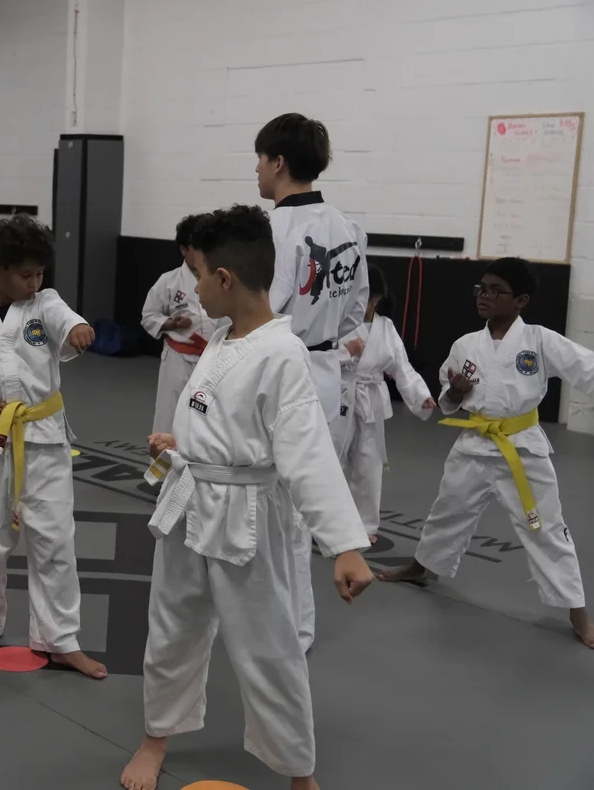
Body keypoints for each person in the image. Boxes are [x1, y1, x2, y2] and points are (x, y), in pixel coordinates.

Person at [119, 205, 372, 790]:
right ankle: (156, 734)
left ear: (225, 280)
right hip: (189, 500)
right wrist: (183, 443)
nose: (194, 287)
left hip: (248, 518)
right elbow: (225, 419)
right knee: (171, 626)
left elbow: (306, 452)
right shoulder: (224, 337)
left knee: (268, 645)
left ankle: (298, 773)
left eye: (199, 275)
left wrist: (344, 546)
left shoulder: (282, 355)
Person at [378, 257, 594, 649]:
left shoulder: (540, 341)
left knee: (544, 526)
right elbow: (449, 399)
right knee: (449, 509)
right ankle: (421, 566)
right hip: (475, 444)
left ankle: (577, 609)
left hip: (522, 447)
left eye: (496, 290)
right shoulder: (465, 345)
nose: (484, 296)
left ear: (521, 301)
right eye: (481, 288)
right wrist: (457, 391)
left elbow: (587, 369)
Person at [0, 213, 106, 679]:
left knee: (54, 539)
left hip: (45, 440)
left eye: (40, 273)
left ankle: (60, 638)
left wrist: (77, 328)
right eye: (26, 274)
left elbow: (62, 316)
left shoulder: (45, 305)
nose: (35, 283)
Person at [257, 112, 369, 653]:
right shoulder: (346, 227)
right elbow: (354, 316)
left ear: (278, 162)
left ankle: (282, 625)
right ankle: (296, 628)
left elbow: (261, 310)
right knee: (303, 502)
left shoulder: (275, 230)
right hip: (325, 372)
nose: (256, 170)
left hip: (277, 370)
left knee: (269, 501)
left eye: (260, 159)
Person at [333, 267, 436, 543]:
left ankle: (365, 525)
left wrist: (420, 396)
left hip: (371, 403)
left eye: (364, 295)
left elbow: (402, 368)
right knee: (331, 460)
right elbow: (316, 359)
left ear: (376, 298)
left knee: (369, 465)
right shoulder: (336, 321)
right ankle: (323, 523)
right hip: (338, 398)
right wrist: (345, 353)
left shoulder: (386, 328)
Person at [141, 214, 221, 433]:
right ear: (184, 249)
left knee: (210, 417)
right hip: (178, 359)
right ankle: (163, 466)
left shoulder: (221, 278)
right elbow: (148, 315)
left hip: (213, 357)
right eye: (198, 247)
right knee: (170, 415)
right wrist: (170, 323)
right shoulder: (169, 281)